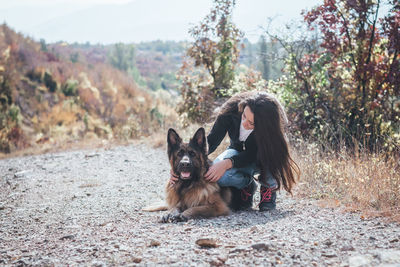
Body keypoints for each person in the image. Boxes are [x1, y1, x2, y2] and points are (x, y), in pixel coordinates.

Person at [171, 91, 300, 211]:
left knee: (273, 154)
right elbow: (211, 141)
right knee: (216, 176)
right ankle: (247, 185)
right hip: (237, 153)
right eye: (244, 116)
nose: (244, 124)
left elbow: (253, 154)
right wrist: (182, 165)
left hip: (264, 156)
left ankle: (268, 188)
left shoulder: (270, 124)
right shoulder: (229, 111)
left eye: (251, 123)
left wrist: (228, 163)